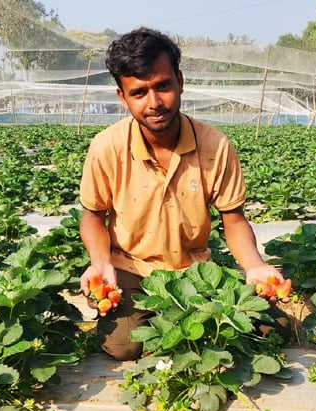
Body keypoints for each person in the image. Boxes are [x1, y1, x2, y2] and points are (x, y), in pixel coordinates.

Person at [79, 27, 287, 361]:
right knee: (125, 346)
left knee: (274, 329)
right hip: (132, 268)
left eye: (163, 86)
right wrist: (100, 263)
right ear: (122, 97)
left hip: (194, 271)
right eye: (139, 92)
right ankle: (180, 323)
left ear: (179, 81)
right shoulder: (107, 147)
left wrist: (255, 265)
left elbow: (233, 220)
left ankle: (177, 321)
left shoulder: (215, 145)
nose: (154, 103)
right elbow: (93, 216)